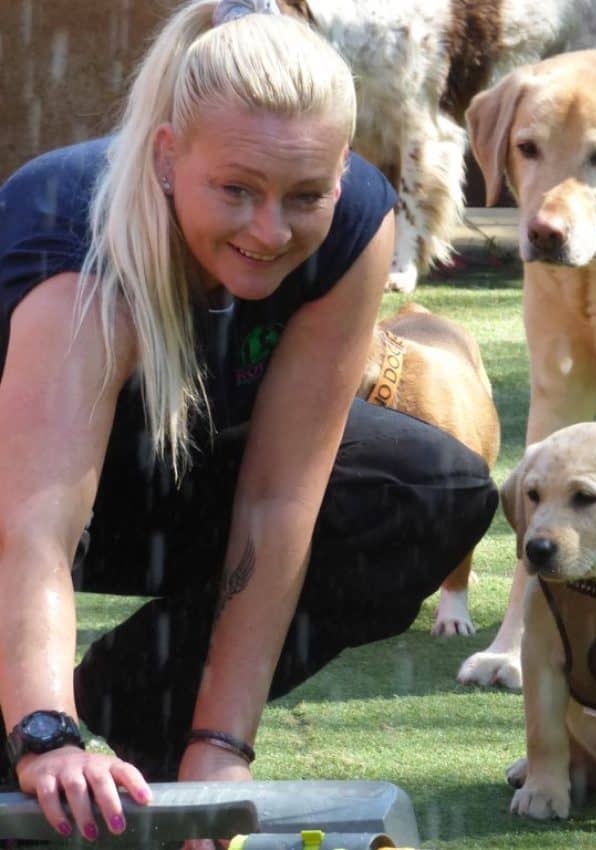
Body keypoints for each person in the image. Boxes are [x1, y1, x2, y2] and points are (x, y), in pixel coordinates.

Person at [0, 0, 498, 842]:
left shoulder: (354, 226)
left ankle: (141, 726)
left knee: (425, 491)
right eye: (237, 190)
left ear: (344, 170)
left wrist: (218, 745)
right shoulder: (76, 241)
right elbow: (36, 528)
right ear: (167, 156)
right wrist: (45, 732)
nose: (270, 231)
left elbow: (277, 503)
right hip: (23, 493)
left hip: (165, 470)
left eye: (305, 193)